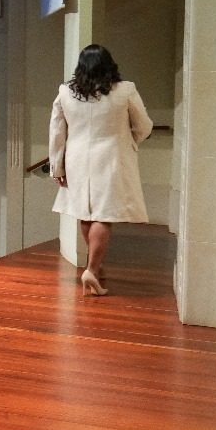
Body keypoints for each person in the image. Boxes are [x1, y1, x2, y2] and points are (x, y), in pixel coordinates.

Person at [49, 44, 154, 296]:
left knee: (85, 212)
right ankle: (93, 270)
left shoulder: (66, 93)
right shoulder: (125, 90)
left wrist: (57, 166)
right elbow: (144, 125)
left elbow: (57, 132)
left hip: (77, 159)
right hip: (112, 158)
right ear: (109, 65)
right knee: (103, 215)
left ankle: (95, 264)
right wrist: (130, 141)